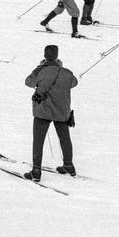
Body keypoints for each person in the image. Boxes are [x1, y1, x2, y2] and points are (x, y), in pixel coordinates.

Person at [23, 44, 78, 182]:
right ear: (57, 55)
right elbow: (74, 83)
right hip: (62, 111)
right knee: (65, 138)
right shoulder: (67, 73)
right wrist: (60, 67)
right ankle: (68, 165)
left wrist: (41, 68)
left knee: (38, 140)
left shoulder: (40, 71)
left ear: (44, 55)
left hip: (43, 110)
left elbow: (28, 82)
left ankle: (36, 171)